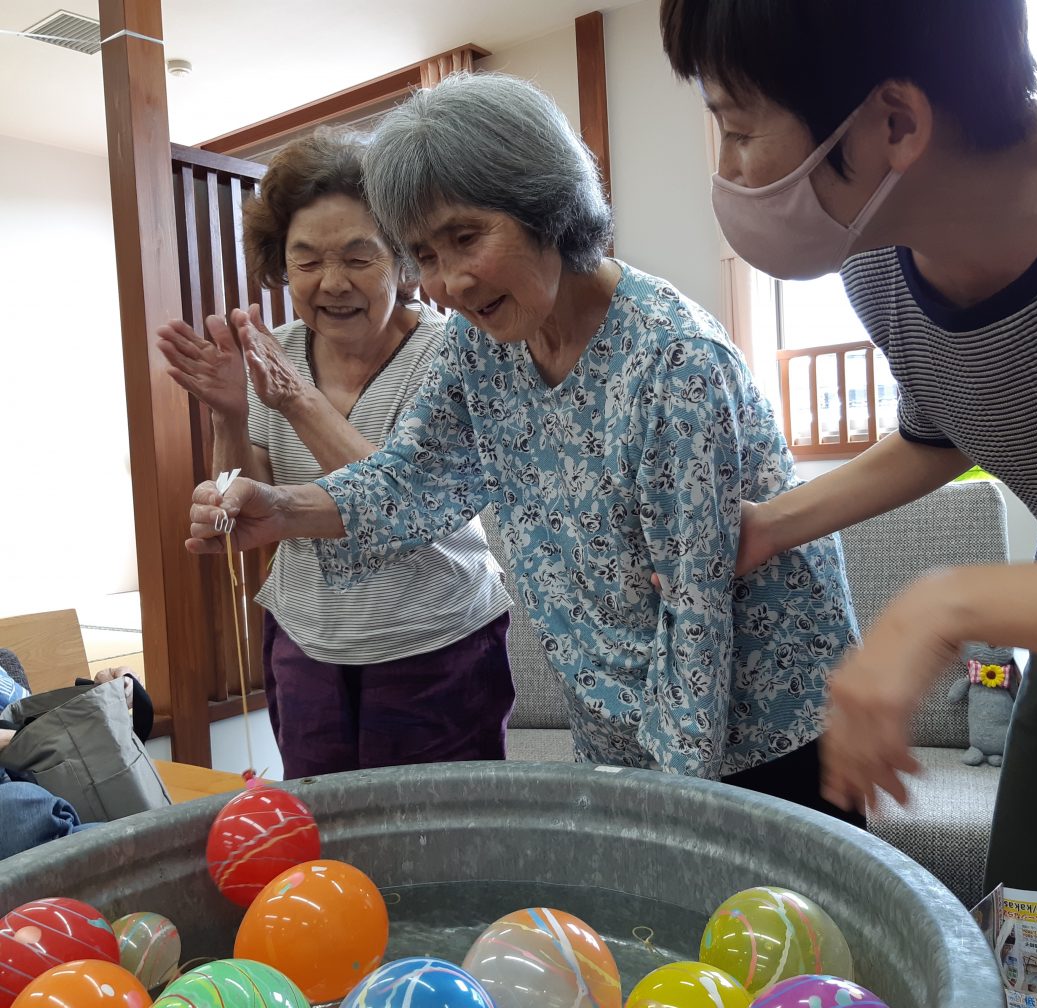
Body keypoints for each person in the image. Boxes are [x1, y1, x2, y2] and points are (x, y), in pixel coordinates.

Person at [184, 73, 861, 818]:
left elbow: (697, 614)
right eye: (425, 256)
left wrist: (673, 813)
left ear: (547, 206)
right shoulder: (485, 345)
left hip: (763, 730)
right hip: (623, 723)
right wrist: (282, 508)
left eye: (466, 238)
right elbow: (413, 480)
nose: (447, 283)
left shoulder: (673, 364)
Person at [659, 0, 1037, 906]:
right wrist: (765, 528)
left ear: (896, 122)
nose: (728, 173)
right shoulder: (878, 256)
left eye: (737, 129)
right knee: (1031, 940)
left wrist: (947, 605)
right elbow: (943, 428)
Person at [157, 132, 514, 780]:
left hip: (437, 647)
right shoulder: (275, 351)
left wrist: (296, 401)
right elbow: (254, 491)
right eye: (307, 261)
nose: (332, 284)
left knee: (440, 854)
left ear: (405, 261)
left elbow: (407, 500)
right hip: (306, 644)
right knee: (320, 843)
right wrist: (230, 415)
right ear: (280, 266)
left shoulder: (452, 354)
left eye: (358, 257)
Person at [1, 663, 138, 858]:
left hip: (51, 778)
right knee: (19, 803)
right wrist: (23, 738)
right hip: (22, 798)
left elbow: (33, 718)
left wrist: (102, 692)